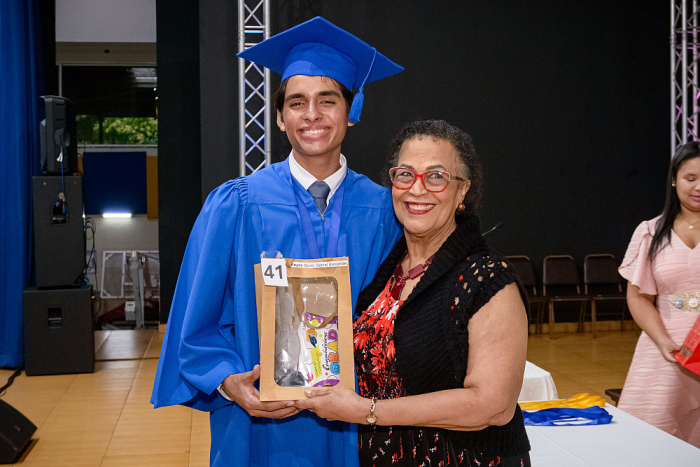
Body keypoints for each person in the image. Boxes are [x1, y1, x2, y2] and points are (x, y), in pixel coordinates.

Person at [151, 17, 404, 467]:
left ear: (351, 111)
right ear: (280, 118)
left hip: (359, 423)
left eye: (328, 100)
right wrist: (229, 382)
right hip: (260, 426)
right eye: (296, 102)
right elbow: (197, 321)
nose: (312, 114)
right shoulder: (236, 205)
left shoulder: (385, 210)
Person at [297, 120, 531, 466]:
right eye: (405, 174)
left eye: (436, 176)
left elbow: (493, 406)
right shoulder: (387, 269)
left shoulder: (487, 278)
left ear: (462, 192)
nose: (417, 189)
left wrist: (366, 411)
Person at [617, 141, 700, 448]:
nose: (698, 187)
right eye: (691, 178)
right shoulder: (650, 232)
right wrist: (663, 341)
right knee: (649, 442)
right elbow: (638, 297)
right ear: (674, 179)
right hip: (665, 349)